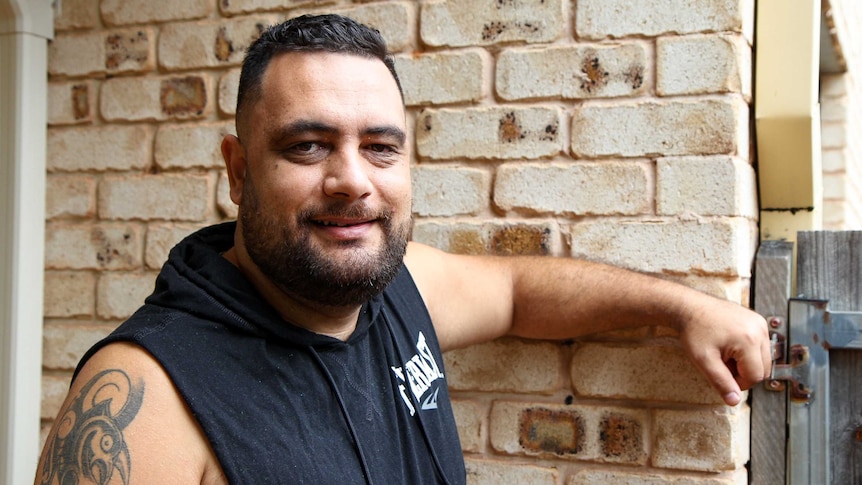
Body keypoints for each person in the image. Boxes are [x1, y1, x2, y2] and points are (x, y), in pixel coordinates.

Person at [35, 13, 771, 485]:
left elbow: (520, 290)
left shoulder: (392, 287)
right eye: (308, 145)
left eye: (380, 147)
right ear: (238, 168)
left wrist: (683, 308)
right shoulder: (147, 395)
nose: (352, 180)